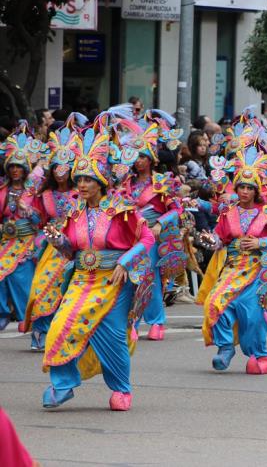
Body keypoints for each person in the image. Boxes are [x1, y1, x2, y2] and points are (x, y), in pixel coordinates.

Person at [41, 126, 154, 411]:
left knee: (113, 334)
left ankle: (121, 389)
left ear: (101, 182)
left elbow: (147, 239)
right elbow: (72, 252)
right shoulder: (73, 213)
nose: (81, 184)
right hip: (81, 279)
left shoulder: (120, 210)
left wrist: (125, 261)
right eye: (78, 179)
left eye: (88, 179)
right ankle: (64, 384)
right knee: (61, 325)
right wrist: (60, 243)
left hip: (114, 279)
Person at [195, 146, 267, 374]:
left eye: (250, 188)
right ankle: (225, 346)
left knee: (253, 315)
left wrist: (262, 243)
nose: (245, 192)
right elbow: (220, 238)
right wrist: (210, 240)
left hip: (258, 270)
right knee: (215, 301)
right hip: (233, 267)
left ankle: (259, 354)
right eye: (241, 187)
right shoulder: (228, 212)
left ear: (256, 191)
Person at [119, 121, 185, 341]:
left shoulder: (161, 183)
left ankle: (156, 321)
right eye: (135, 157)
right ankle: (133, 321)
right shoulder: (125, 183)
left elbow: (176, 210)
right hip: (128, 236)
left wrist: (159, 224)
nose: (139, 161)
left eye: (143, 157)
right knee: (130, 279)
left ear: (151, 159)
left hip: (150, 236)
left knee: (150, 277)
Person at [22, 123, 80, 350]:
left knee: (67, 291)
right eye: (56, 167)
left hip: (74, 247)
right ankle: (40, 332)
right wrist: (28, 211)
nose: (60, 171)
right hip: (50, 247)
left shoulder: (81, 193)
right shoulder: (45, 194)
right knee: (41, 287)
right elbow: (38, 221)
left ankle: (63, 334)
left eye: (65, 167)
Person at [0, 124, 45, 333]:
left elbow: (40, 219)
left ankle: (27, 317)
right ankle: (2, 314)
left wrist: (26, 210)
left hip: (27, 241)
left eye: (19, 166)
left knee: (22, 281)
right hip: (5, 240)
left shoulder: (35, 191)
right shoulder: (2, 189)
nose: (15, 170)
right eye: (12, 166)